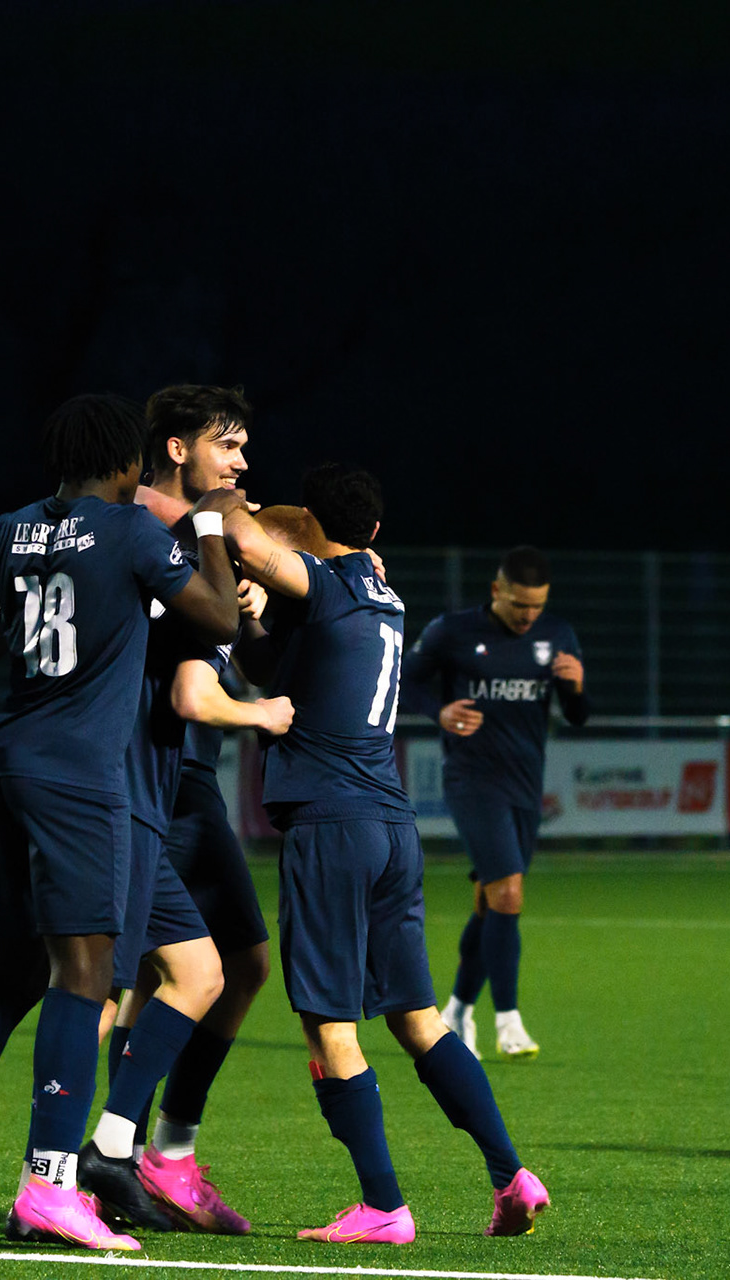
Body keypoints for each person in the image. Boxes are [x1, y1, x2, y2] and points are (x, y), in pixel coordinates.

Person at [0, 393, 242, 1251]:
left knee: (14, 972)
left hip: (3, 765)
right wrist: (219, 532)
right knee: (86, 980)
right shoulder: (132, 533)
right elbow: (221, 619)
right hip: (80, 777)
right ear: (127, 463)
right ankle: (50, 1182)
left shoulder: (9, 530)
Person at [217, 466, 550, 1242]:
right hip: (390, 826)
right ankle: (511, 1175)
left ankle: (382, 1207)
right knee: (419, 1020)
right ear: (375, 532)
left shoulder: (328, 586)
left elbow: (238, 536)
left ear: (309, 526)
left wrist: (217, 497)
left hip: (332, 828)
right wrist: (253, 621)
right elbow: (276, 665)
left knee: (330, 1025)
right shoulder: (383, 595)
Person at [97, 384, 290, 1234]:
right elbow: (185, 686)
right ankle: (99, 1155)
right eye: (228, 444)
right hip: (148, 776)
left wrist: (253, 601)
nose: (242, 463)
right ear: (177, 448)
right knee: (129, 977)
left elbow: (235, 653)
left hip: (187, 778)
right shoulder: (142, 522)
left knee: (230, 966)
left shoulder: (209, 533)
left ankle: (153, 1150)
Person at [403, 546, 589, 1061]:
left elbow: (577, 715)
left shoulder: (558, 636)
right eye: (519, 606)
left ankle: (458, 1010)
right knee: (508, 893)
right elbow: (406, 680)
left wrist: (575, 689)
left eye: (537, 607)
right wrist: (440, 712)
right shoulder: (452, 631)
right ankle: (509, 1021)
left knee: (491, 902)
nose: (529, 617)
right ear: (496, 592)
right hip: (471, 780)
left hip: (526, 785)